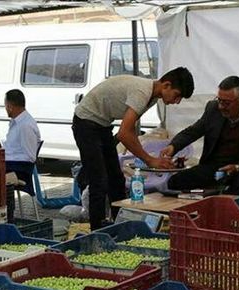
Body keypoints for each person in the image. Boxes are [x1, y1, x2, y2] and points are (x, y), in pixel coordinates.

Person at [72, 66, 194, 230]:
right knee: (99, 182)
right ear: (166, 85)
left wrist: (148, 159)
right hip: (86, 123)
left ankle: (120, 225)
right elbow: (124, 134)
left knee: (117, 179)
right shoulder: (142, 93)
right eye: (177, 95)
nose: (176, 101)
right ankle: (97, 232)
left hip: (102, 125)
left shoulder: (152, 96)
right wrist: (150, 160)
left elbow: (129, 131)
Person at [163, 76, 239, 195]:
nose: (221, 106)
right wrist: (173, 146)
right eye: (219, 100)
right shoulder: (213, 109)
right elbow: (193, 131)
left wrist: (238, 166)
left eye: (226, 103)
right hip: (215, 168)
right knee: (175, 182)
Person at [3, 89, 42, 192]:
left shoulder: (25, 125)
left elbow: (30, 157)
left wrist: (5, 160)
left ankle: (7, 207)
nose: (5, 109)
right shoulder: (17, 122)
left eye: (5, 106)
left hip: (19, 169)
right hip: (11, 164)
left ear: (10, 106)